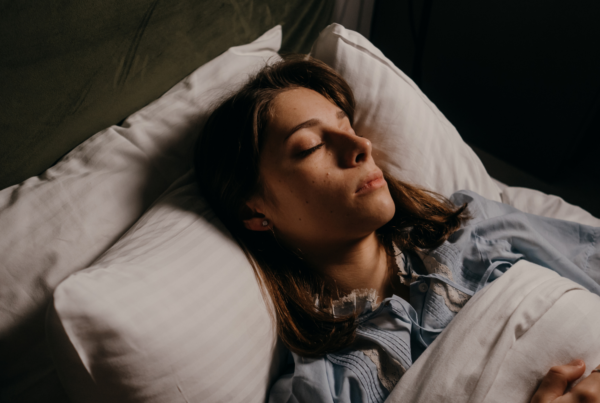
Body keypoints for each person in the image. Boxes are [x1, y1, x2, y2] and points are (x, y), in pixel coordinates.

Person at [194, 55, 600, 403]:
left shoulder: (472, 225)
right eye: (310, 147)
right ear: (256, 211)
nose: (361, 146)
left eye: (347, 125)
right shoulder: (323, 386)